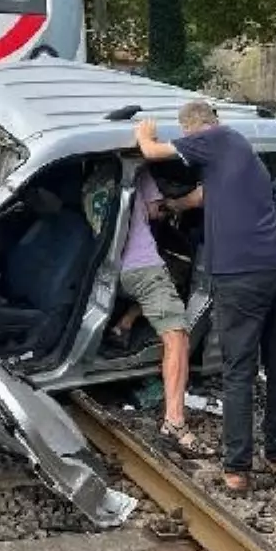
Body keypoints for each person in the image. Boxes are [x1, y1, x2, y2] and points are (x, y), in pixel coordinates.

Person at [134, 100, 276, 494]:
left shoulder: (211, 138)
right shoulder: (240, 153)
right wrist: (172, 206)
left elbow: (153, 152)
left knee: (239, 369)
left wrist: (144, 134)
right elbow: (200, 197)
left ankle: (237, 469)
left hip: (242, 274)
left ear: (193, 130)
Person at [107, 166, 212, 457]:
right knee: (177, 337)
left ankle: (124, 323)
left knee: (163, 280)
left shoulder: (95, 175)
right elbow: (155, 211)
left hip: (111, 269)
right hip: (142, 266)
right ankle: (174, 422)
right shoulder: (140, 173)